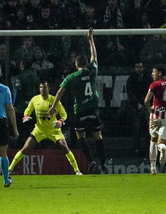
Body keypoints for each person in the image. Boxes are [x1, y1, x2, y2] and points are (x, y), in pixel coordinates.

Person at [48, 28, 108, 174]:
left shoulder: (71, 77)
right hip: (93, 108)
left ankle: (90, 161)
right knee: (97, 136)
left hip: (80, 110)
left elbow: (60, 91)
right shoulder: (92, 70)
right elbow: (95, 55)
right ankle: (104, 163)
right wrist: (91, 40)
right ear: (86, 63)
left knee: (80, 135)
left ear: (76, 64)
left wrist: (54, 106)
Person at [9, 81, 82, 175]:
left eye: (45, 87)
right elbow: (27, 111)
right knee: (25, 148)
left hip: (53, 130)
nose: (43, 89)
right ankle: (10, 169)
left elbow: (64, 114)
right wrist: (26, 117)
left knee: (64, 146)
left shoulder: (54, 100)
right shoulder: (35, 99)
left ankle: (77, 170)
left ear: (49, 89)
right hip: (39, 130)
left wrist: (60, 121)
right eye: (41, 87)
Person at [13, 58, 40, 148]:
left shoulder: (20, 77)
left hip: (21, 108)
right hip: (33, 108)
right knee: (32, 132)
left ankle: (19, 150)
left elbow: (17, 92)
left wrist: (14, 104)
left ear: (22, 65)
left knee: (21, 131)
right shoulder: (36, 77)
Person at [126, 61, 152, 154]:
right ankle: (136, 147)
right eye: (137, 67)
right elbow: (130, 93)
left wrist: (147, 104)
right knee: (136, 126)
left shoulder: (148, 78)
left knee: (148, 126)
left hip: (147, 105)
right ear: (134, 68)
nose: (139, 69)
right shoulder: (131, 79)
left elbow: (151, 91)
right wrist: (137, 103)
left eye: (140, 67)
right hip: (134, 105)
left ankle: (148, 147)